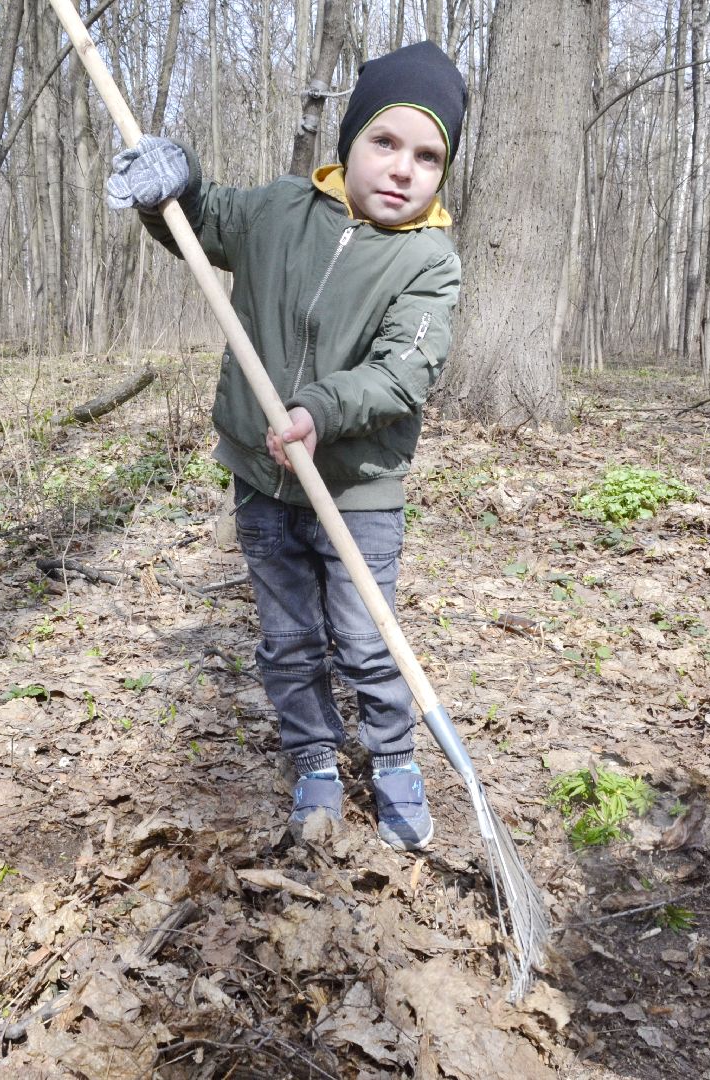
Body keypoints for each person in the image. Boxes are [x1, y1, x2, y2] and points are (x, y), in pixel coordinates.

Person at [105, 41, 468, 851]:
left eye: (427, 155)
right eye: (385, 141)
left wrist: (318, 409)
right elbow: (199, 220)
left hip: (355, 490)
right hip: (263, 483)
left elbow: (401, 374)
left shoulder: (428, 261)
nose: (403, 168)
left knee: (369, 640)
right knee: (289, 639)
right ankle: (312, 755)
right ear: (349, 140)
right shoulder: (278, 212)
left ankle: (396, 756)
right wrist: (172, 179)